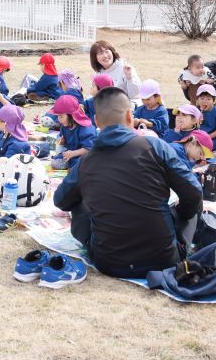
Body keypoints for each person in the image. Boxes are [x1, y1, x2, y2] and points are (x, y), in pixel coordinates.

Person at [54, 88, 203, 278]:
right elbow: (194, 192)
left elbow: (61, 201)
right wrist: (179, 214)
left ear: (97, 122)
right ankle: (177, 238)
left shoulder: (86, 162)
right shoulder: (154, 146)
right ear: (129, 116)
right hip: (164, 259)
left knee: (77, 202)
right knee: (191, 202)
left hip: (108, 262)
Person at [48, 95, 97, 169]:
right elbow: (62, 138)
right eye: (57, 116)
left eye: (61, 117)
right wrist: (62, 141)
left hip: (86, 156)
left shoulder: (86, 129)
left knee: (80, 163)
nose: (58, 120)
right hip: (71, 154)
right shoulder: (65, 126)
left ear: (72, 116)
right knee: (56, 160)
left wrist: (73, 154)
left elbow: (89, 148)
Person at [195, 85, 216, 150]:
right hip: (197, 137)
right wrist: (197, 121)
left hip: (213, 139)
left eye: (208, 99)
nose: (204, 101)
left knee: (201, 146)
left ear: (214, 101)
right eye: (202, 98)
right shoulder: (195, 111)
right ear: (197, 100)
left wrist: (207, 137)